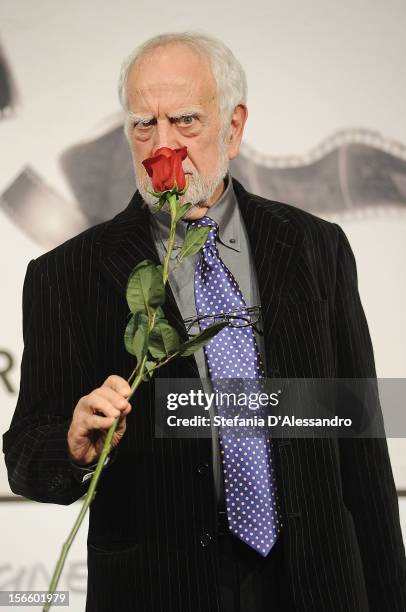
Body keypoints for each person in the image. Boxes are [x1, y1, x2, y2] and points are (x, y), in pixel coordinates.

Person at [3, 31, 406, 612]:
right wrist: (73, 446)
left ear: (234, 127)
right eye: (143, 124)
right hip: (158, 588)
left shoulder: (318, 248)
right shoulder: (65, 274)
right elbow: (25, 457)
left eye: (185, 121)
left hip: (315, 584)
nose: (161, 144)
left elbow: (361, 448)